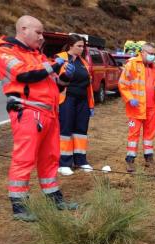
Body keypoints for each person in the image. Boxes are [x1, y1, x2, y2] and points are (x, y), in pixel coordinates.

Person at [0, 15, 78, 221]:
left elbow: (56, 85)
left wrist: (65, 76)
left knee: (50, 158)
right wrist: (55, 65)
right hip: (28, 111)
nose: (41, 37)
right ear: (23, 29)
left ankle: (54, 199)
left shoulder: (38, 55)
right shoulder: (5, 51)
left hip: (49, 112)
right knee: (25, 158)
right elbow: (24, 75)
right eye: (38, 33)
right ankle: (20, 206)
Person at [118, 42, 155, 172]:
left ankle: (149, 158)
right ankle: (130, 160)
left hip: (152, 108)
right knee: (133, 135)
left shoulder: (154, 68)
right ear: (143, 52)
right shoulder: (132, 64)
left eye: (154, 54)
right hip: (136, 108)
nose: (153, 56)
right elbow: (123, 84)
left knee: (149, 135)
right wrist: (130, 98)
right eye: (150, 54)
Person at [55, 34, 95, 176]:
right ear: (70, 45)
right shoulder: (60, 59)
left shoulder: (83, 62)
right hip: (67, 99)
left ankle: (80, 160)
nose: (81, 48)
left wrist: (91, 105)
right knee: (65, 130)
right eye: (79, 46)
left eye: (83, 46)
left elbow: (88, 86)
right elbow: (54, 81)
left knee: (80, 131)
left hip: (82, 100)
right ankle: (64, 163)